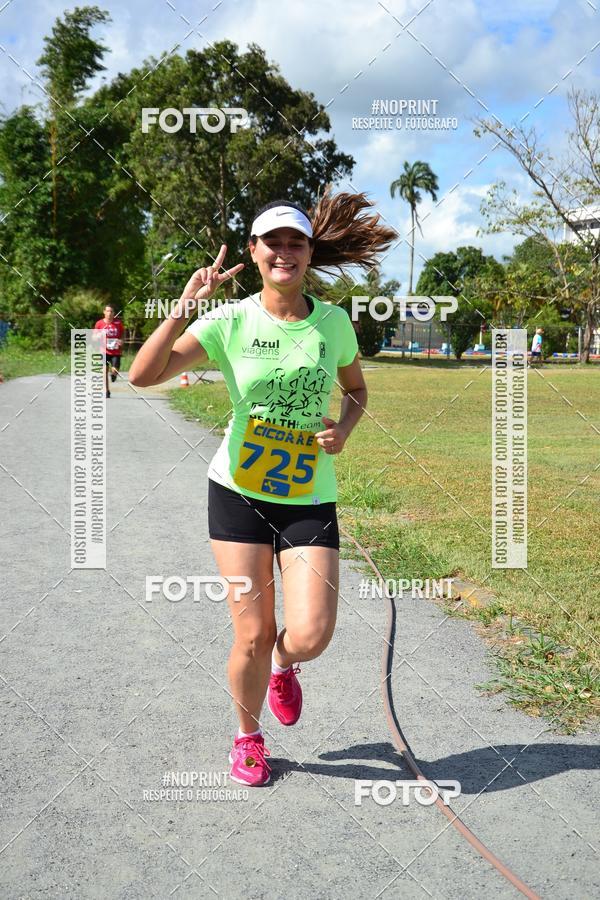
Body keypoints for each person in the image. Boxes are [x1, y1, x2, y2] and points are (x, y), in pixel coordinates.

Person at [128, 189, 395, 786]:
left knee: (310, 633)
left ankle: (286, 664)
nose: (284, 252)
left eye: (294, 242)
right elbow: (143, 376)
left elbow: (356, 390)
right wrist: (183, 307)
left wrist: (346, 427)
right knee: (250, 631)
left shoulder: (333, 324)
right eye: (271, 242)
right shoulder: (228, 321)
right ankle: (247, 737)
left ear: (309, 254)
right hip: (239, 493)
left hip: (307, 496)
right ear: (254, 251)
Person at [94, 304, 124, 397]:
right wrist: (98, 336)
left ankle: (114, 374)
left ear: (114, 313)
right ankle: (106, 391)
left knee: (114, 370)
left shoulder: (118, 324)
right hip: (103, 351)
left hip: (115, 351)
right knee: (104, 371)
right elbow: (94, 337)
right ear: (104, 312)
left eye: (111, 311)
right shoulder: (99, 324)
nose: (109, 313)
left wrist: (121, 341)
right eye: (107, 311)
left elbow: (122, 336)